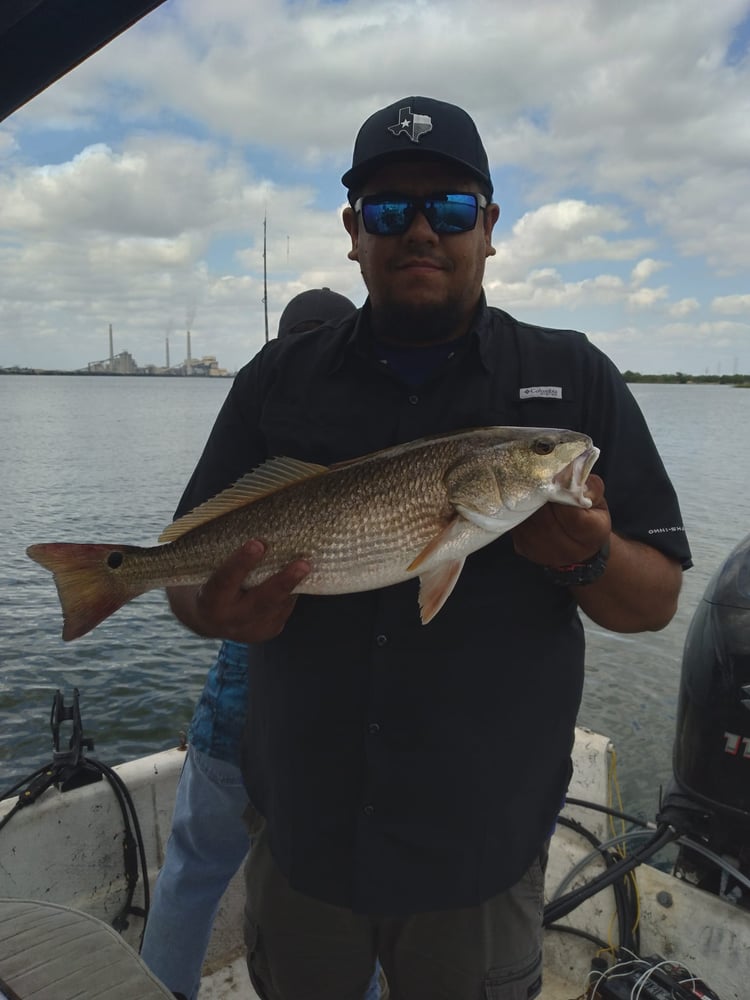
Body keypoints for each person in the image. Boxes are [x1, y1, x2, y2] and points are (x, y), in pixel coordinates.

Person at [164, 97, 692, 1000]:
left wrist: (585, 558)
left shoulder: (575, 380)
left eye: (448, 208)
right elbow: (186, 566)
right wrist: (207, 607)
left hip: (477, 853)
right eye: (387, 209)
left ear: (488, 227)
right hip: (303, 835)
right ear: (352, 233)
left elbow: (656, 602)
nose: (418, 230)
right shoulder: (276, 379)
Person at [140, 288, 380, 1000]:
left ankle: (160, 990)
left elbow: (197, 554)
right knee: (341, 887)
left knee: (194, 863)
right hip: (331, 700)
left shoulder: (265, 417)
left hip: (244, 683)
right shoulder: (365, 435)